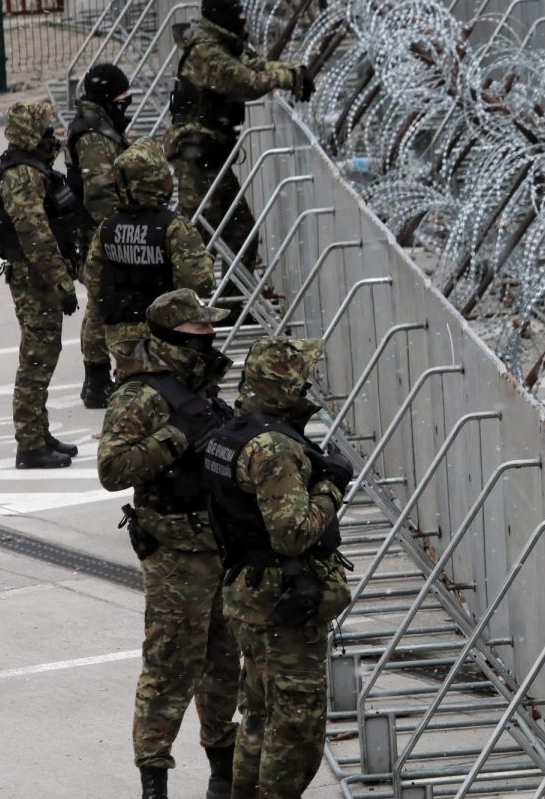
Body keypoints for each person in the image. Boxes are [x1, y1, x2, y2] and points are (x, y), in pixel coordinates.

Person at [97, 289, 239, 799]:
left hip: (220, 547)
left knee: (224, 664)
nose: (211, 336)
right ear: (174, 337)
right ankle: (154, 779)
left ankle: (223, 769)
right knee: (170, 668)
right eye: (201, 330)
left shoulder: (201, 386)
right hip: (176, 555)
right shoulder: (141, 397)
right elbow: (112, 469)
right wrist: (177, 436)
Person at [199, 336, 352, 799]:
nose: (309, 385)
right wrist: (332, 484)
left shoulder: (231, 433)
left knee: (259, 713)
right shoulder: (273, 448)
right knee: (295, 726)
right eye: (302, 379)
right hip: (281, 599)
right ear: (286, 388)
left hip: (248, 591)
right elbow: (293, 533)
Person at [168, 0, 309, 321]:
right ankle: (180, 311)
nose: (241, 20)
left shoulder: (224, 42)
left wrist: (295, 69)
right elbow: (246, 82)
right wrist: (289, 77)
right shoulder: (206, 51)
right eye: (237, 15)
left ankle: (231, 308)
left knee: (240, 231)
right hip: (195, 155)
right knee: (196, 239)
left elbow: (256, 65)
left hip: (212, 153)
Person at [0, 100, 83, 469]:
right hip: (35, 279)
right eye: (46, 129)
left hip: (38, 276)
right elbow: (36, 237)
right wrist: (62, 282)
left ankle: (38, 433)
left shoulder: (31, 168)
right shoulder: (22, 176)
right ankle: (30, 444)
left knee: (44, 354)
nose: (52, 135)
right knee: (35, 359)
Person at [84, 138, 216, 377]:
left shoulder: (107, 228)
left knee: (130, 386)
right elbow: (199, 283)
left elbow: (95, 286)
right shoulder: (174, 227)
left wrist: (95, 356)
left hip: (121, 338)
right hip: (167, 335)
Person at [66, 62, 133, 408]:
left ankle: (99, 378)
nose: (126, 107)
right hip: (99, 232)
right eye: (122, 100)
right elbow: (99, 193)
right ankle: (96, 379)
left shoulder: (100, 125)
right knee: (101, 302)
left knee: (103, 300)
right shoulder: (93, 136)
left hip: (101, 229)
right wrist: (118, 232)